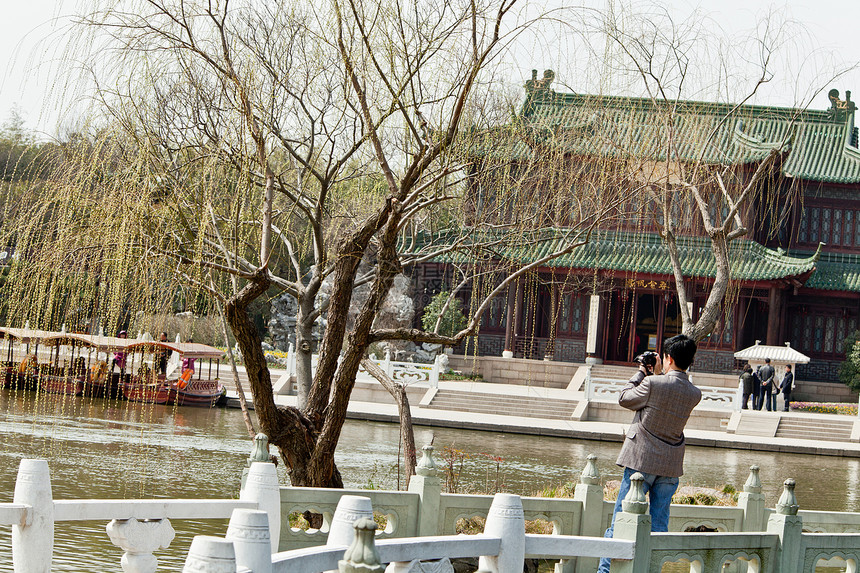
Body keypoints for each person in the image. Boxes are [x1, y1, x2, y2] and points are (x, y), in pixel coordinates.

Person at [597, 334, 702, 573]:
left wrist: (642, 371)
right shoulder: (694, 393)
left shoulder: (654, 383)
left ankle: (605, 572)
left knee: (621, 520)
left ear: (668, 358)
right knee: (658, 525)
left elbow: (624, 398)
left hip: (640, 462)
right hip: (669, 466)